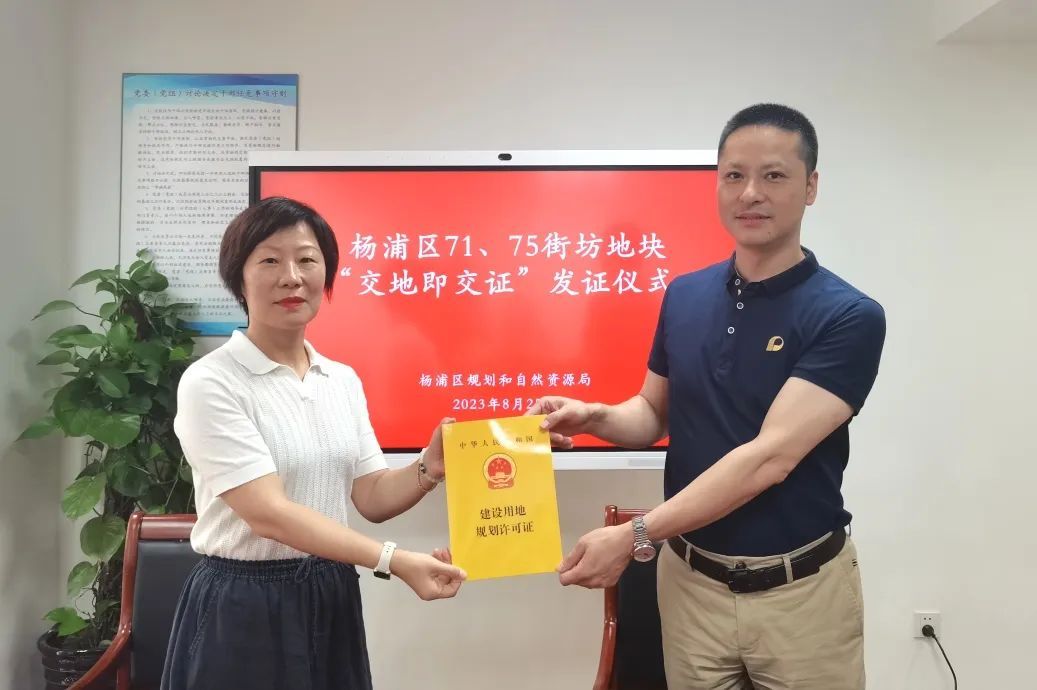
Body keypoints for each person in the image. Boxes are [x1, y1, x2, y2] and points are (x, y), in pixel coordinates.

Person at [528, 103, 885, 689]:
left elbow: (769, 458)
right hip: (691, 586)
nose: (750, 193)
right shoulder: (685, 295)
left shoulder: (848, 315)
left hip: (801, 595)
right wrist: (591, 415)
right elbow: (652, 413)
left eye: (774, 175)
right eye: (733, 175)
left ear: (811, 187)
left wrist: (636, 535)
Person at [161, 197, 465, 690]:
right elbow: (269, 514)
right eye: (269, 260)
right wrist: (394, 559)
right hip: (243, 602)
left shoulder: (340, 379)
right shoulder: (212, 381)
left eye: (306, 259)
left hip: (331, 592)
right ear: (239, 278)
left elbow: (371, 495)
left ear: (326, 274)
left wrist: (428, 468)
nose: (291, 277)